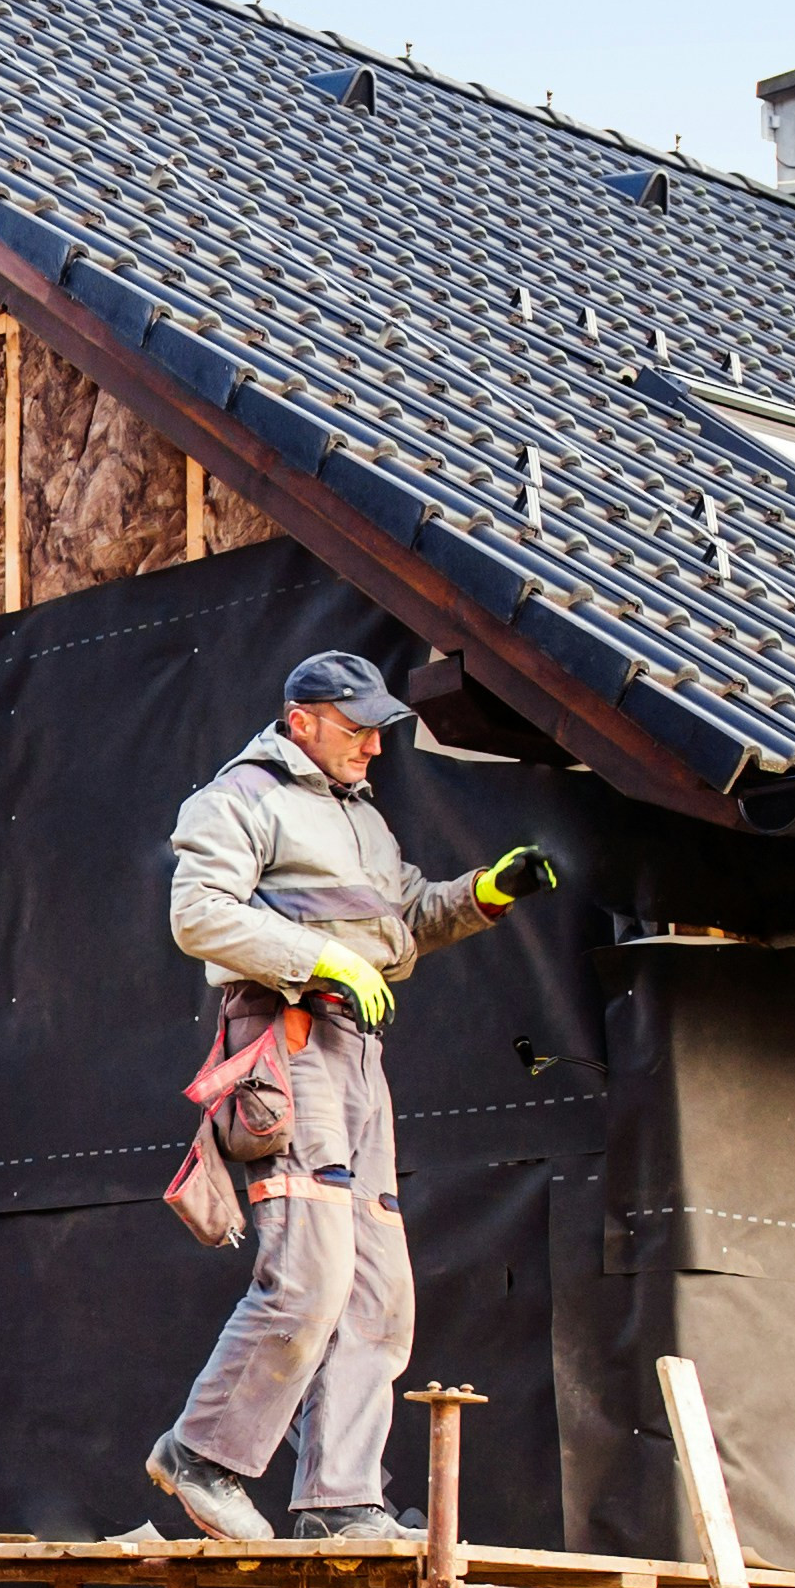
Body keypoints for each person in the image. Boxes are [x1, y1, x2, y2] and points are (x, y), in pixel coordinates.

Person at [143, 650, 555, 1542]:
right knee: (311, 1272)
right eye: (358, 728)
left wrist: (486, 894)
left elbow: (403, 923)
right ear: (302, 721)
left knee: (379, 1293)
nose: (374, 745)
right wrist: (319, 961)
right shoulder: (241, 797)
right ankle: (200, 1455)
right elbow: (199, 914)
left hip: (359, 1056)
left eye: (379, 729)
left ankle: (339, 1502)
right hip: (289, 1043)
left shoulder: (363, 818)